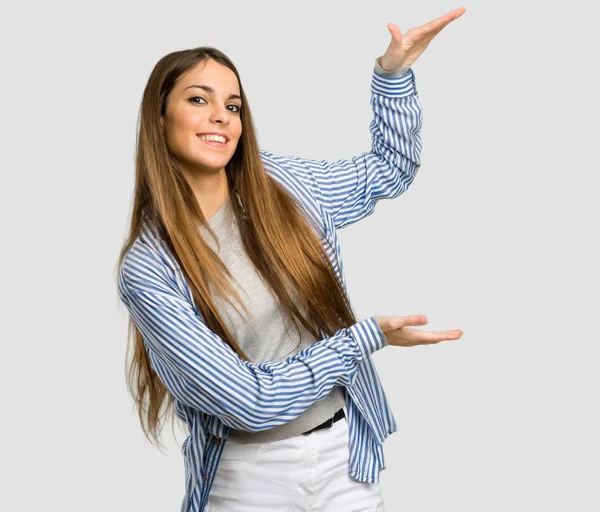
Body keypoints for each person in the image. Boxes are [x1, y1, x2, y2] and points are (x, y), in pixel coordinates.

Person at [116, 7, 466, 512]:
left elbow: (389, 171)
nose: (221, 116)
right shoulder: (149, 268)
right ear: (160, 116)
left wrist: (393, 75)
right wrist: (365, 337)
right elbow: (249, 402)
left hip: (345, 455)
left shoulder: (287, 186)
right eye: (199, 99)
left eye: (233, 106)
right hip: (247, 476)